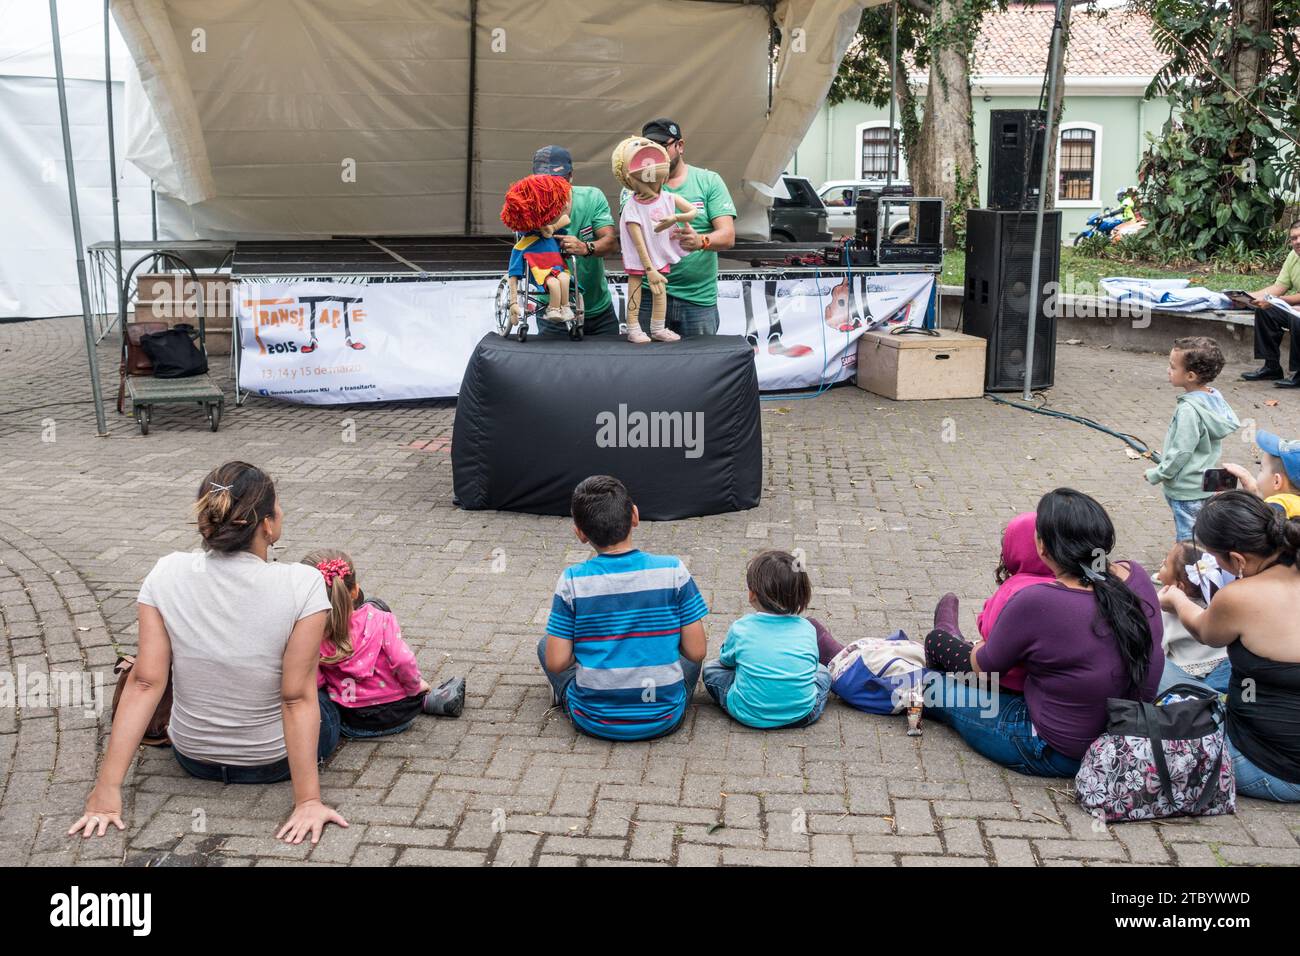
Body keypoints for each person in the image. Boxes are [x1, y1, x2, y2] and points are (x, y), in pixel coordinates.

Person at [69, 462, 348, 845]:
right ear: (267, 524)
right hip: (270, 764)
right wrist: (308, 802)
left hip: (192, 757)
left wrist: (104, 794)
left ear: (206, 523)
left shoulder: (165, 573)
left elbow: (146, 682)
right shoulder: (303, 583)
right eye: (278, 506)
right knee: (325, 701)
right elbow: (295, 698)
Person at [922, 489, 1164, 777]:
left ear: (1042, 547)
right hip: (1127, 738)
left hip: (1056, 749)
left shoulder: (1038, 601)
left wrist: (943, 644)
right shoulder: (1134, 575)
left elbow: (983, 666)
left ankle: (936, 645)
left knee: (929, 684)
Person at [538, 475, 708, 741]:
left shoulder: (572, 580)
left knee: (546, 645)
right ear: (635, 516)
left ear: (580, 533)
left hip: (594, 719)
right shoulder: (673, 570)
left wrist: (587, 652)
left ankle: (573, 693)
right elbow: (696, 652)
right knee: (685, 650)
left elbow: (557, 662)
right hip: (663, 717)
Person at [1158, 491, 1300, 801]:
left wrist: (1177, 600)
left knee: (1153, 669)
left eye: (1216, 558)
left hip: (1274, 768)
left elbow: (1203, 631)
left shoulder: (1240, 596)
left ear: (1237, 559)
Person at [304, 549, 466, 737]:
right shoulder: (381, 619)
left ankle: (429, 699)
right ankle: (429, 700)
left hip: (352, 722)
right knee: (375, 605)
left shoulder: (312, 638)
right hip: (400, 716)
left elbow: (316, 681)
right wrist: (415, 687)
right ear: (355, 591)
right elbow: (403, 661)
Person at [624, 118, 737, 337]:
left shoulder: (708, 181)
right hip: (648, 294)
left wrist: (701, 241)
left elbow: (728, 236)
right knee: (645, 366)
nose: (655, 154)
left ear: (680, 146)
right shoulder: (633, 187)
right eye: (648, 147)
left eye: (661, 146)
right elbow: (633, 237)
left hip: (697, 300)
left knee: (700, 367)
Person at [926, 512, 1055, 694]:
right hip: (1040, 686)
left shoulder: (1014, 590)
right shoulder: (1064, 587)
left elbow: (989, 631)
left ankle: (937, 673)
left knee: (936, 639)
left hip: (998, 681)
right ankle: (953, 633)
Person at [701, 550, 831, 729]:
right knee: (823, 671)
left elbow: (726, 661)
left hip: (748, 714)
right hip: (802, 715)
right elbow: (812, 664)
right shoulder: (808, 628)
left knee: (711, 669)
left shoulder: (742, 627)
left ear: (752, 594)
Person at [1145, 336, 1240, 541]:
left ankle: (1187, 571)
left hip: (1186, 488)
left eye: (1172, 366)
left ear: (1190, 376)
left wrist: (1158, 473)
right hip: (1206, 483)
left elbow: (1182, 452)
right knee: (1205, 532)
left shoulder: (1188, 410)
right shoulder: (1214, 397)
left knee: (1189, 539)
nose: (1167, 370)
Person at [530, 145, 622, 337]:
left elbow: (611, 242)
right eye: (545, 181)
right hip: (553, 314)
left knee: (610, 367)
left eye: (558, 180)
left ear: (570, 176)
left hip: (598, 311)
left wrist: (586, 247)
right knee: (553, 367)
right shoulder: (530, 204)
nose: (552, 187)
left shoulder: (592, 197)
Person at [1155, 540, 1230, 692]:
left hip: (1188, 675)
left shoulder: (1164, 610)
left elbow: (1157, 652)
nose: (1162, 561)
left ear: (1179, 586)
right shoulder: (1219, 601)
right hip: (1224, 665)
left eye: (1165, 564)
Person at [1241, 219, 1300, 389]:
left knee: (1297, 318)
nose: (1297, 242)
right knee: (1265, 311)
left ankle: (1299, 372)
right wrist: (1247, 297)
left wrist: (1276, 301)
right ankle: (1272, 367)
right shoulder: (1293, 256)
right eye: (1293, 238)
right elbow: (1279, 286)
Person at [1224, 429, 1300, 519]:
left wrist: (1221, 504)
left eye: (1261, 469)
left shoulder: (1270, 518)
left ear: (1276, 481)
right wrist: (1255, 492)